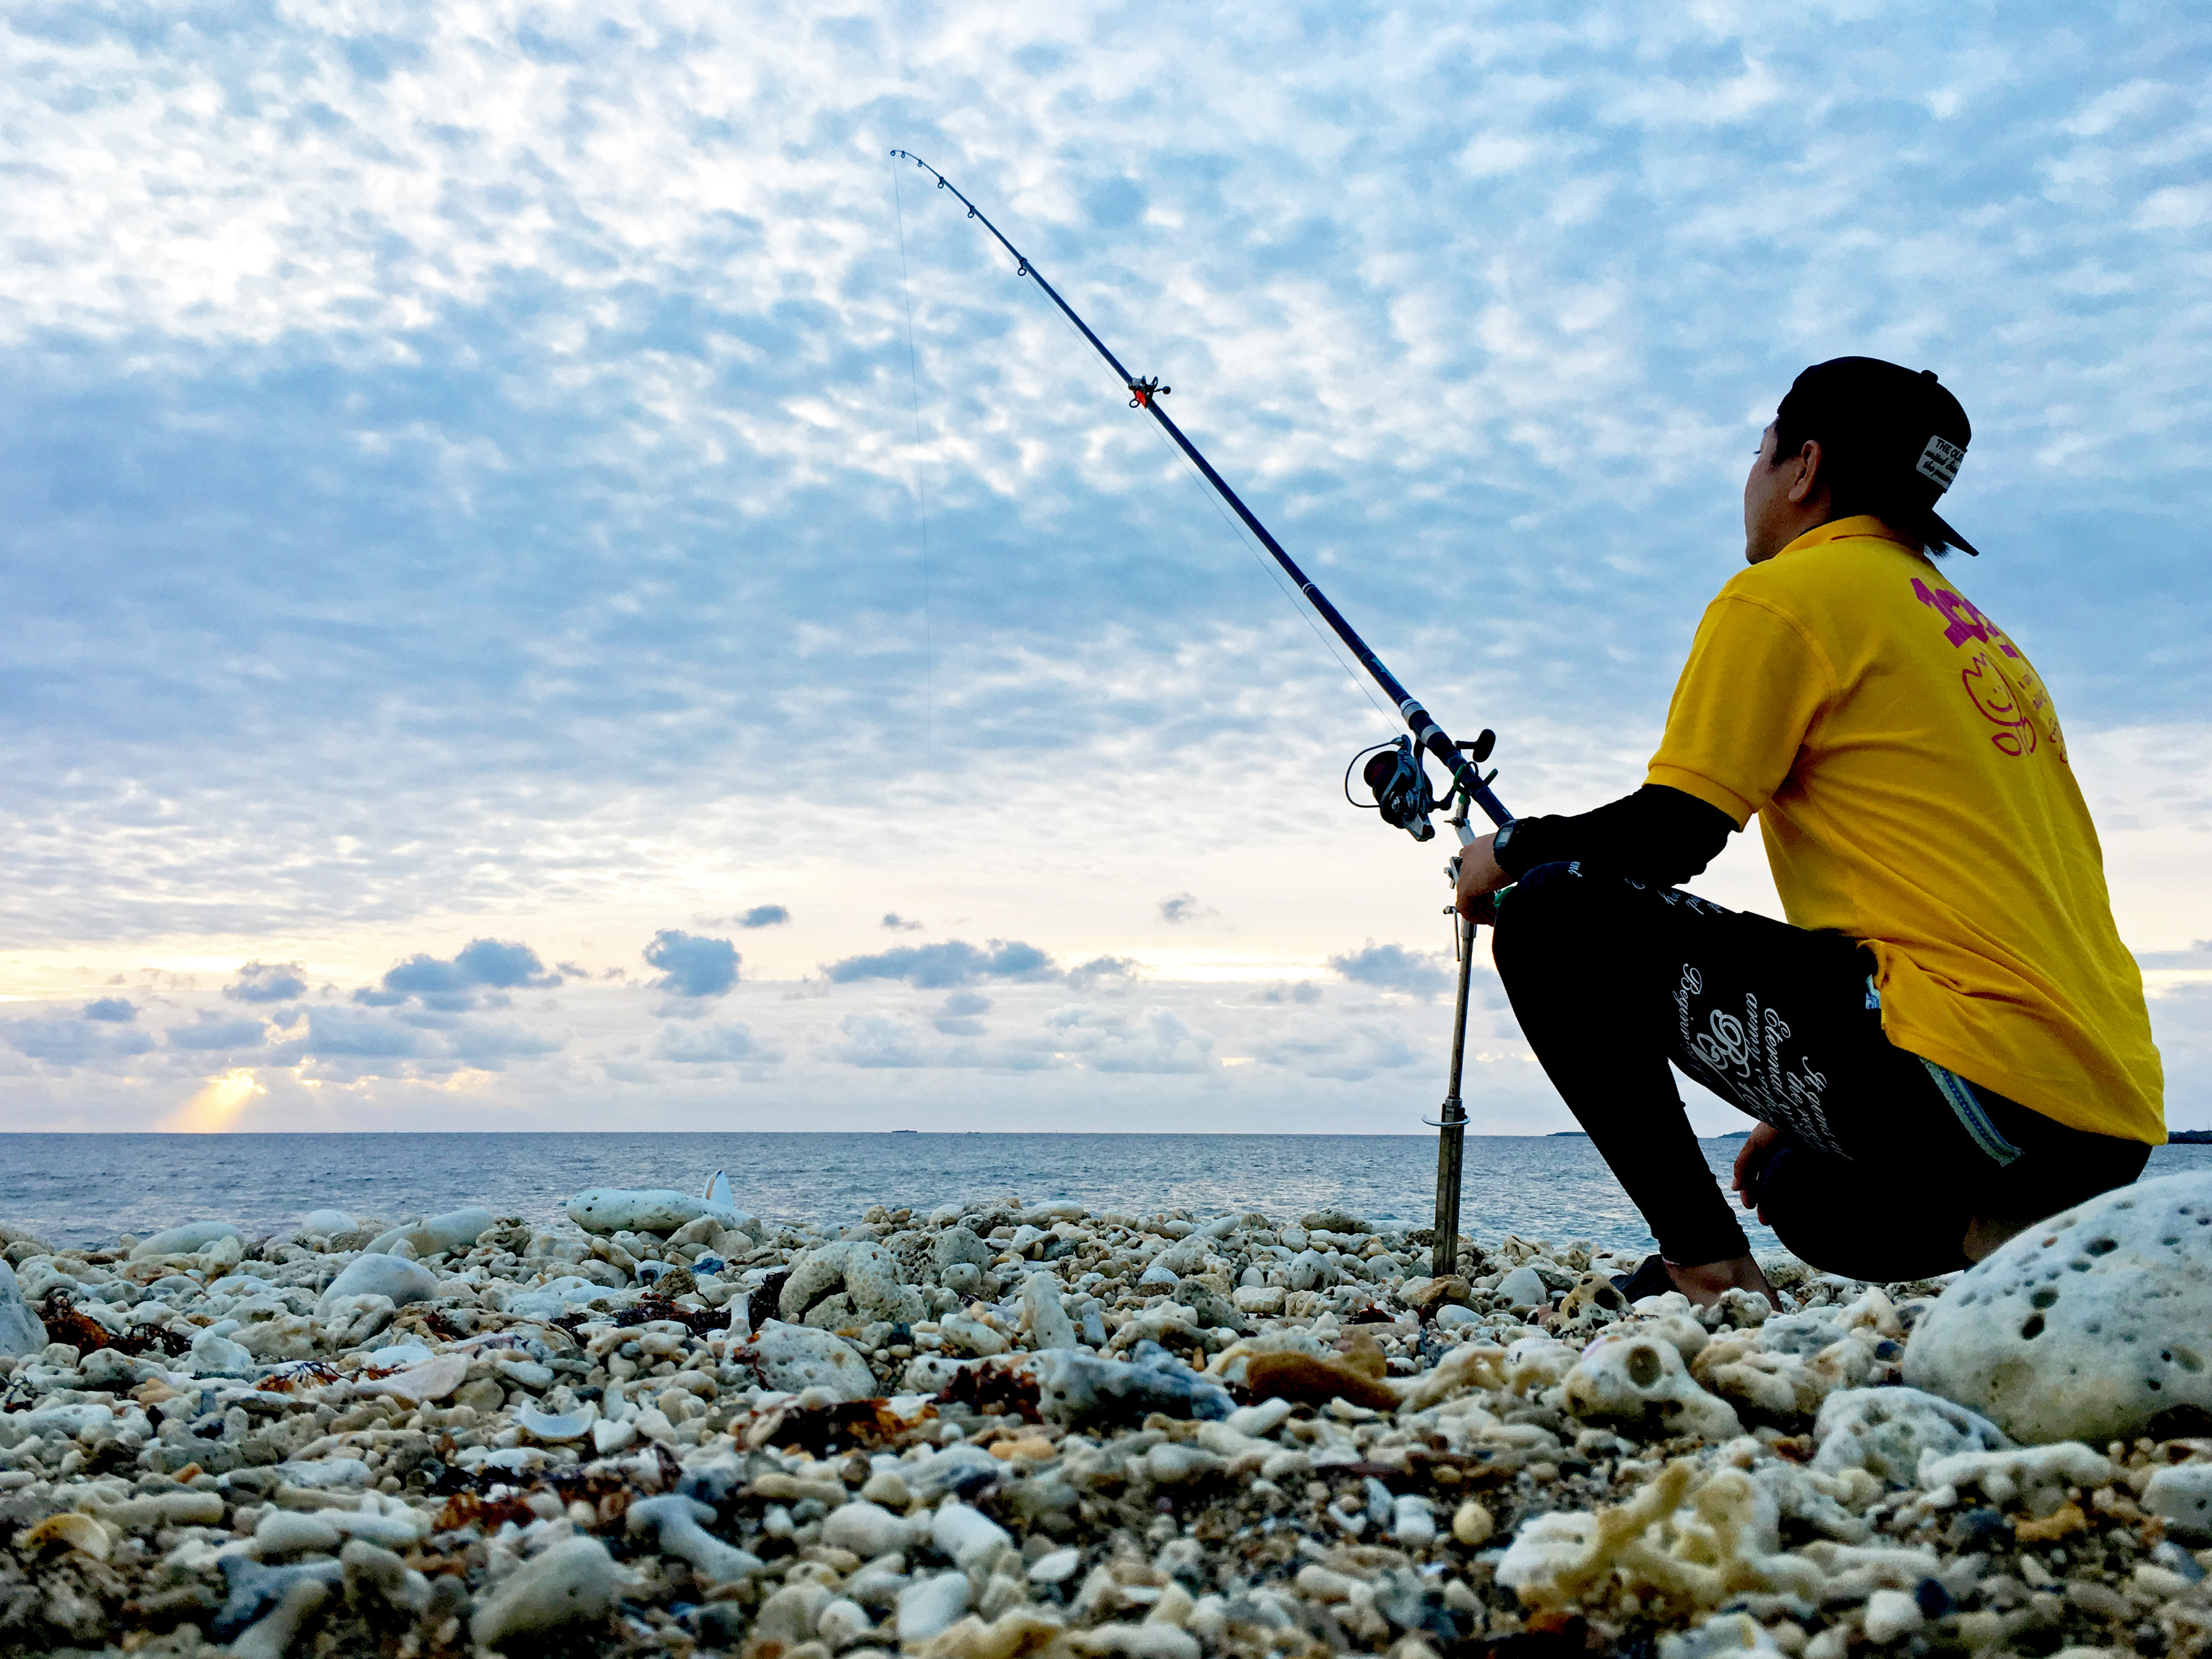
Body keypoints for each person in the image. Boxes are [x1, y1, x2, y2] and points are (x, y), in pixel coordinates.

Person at [1453, 357, 2164, 1309]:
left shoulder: (1786, 594)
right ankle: (2005, 1238)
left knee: (1549, 914)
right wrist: (1802, 1102)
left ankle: (1702, 1270)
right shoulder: (1977, 636)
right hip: (2100, 1128)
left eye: (1758, 450)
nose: (1750, 475)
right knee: (1795, 1183)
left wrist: (1500, 853)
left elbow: (1672, 834)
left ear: (1802, 467)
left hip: (1969, 1077)